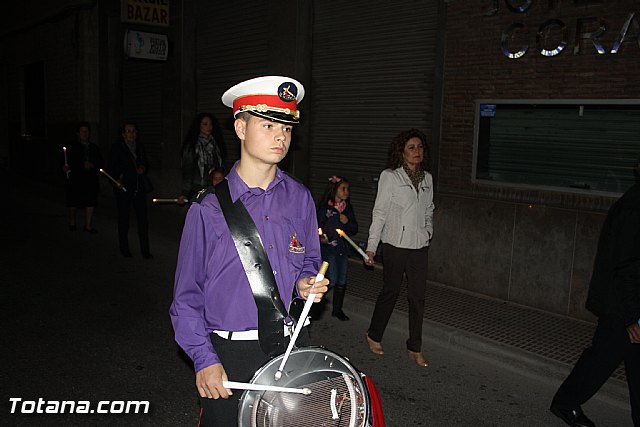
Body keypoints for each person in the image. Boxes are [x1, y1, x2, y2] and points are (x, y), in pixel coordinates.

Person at [170, 76, 329, 426]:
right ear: (241, 127)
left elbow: (310, 260)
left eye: (286, 127)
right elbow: (186, 298)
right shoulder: (207, 210)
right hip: (230, 354)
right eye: (268, 124)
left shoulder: (300, 197)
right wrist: (204, 359)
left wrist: (305, 283)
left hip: (290, 346)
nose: (280, 136)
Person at [550, 163, 640, 427]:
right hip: (623, 306)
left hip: (626, 306)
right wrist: (633, 317)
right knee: (600, 359)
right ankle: (565, 403)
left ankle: (565, 402)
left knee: (603, 359)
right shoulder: (635, 207)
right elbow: (627, 266)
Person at [363, 129, 434, 368]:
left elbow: (429, 210)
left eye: (420, 147)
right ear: (401, 152)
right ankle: (374, 334)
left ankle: (415, 347)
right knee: (390, 292)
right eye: (412, 147)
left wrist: (428, 231)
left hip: (419, 246)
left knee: (417, 297)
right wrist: (372, 246)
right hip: (394, 244)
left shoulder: (427, 179)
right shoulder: (390, 177)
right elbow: (380, 212)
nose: (417, 152)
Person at [106, 122, 153, 259]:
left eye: (133, 131)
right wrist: (116, 180)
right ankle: (124, 248)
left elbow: (145, 163)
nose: (131, 134)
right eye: (128, 131)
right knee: (124, 219)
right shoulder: (117, 148)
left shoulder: (140, 147)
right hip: (124, 189)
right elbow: (111, 167)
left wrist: (143, 168)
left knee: (143, 220)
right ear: (123, 134)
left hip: (139, 188)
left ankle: (145, 250)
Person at [317, 175, 358, 321]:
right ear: (334, 190)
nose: (347, 192)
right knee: (332, 279)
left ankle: (337, 309)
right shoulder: (325, 208)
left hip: (343, 249)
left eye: (348, 189)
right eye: (343, 189)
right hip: (329, 250)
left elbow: (354, 229)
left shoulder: (347, 209)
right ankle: (315, 303)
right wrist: (321, 236)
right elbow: (318, 226)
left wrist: (347, 222)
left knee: (342, 280)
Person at [62, 121, 103, 233]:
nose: (85, 133)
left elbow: (100, 162)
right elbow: (67, 162)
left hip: (90, 179)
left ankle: (88, 225)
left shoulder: (94, 147)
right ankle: (72, 222)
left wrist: (93, 165)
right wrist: (67, 167)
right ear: (78, 133)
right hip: (76, 178)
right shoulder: (72, 146)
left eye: (87, 131)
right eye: (82, 131)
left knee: (90, 202)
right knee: (73, 202)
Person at [178, 112, 226, 204]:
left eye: (211, 124)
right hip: (197, 187)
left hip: (214, 187)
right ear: (198, 126)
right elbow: (187, 170)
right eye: (205, 124)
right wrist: (185, 192)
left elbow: (220, 166)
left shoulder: (215, 144)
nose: (209, 127)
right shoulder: (192, 146)